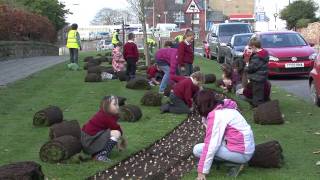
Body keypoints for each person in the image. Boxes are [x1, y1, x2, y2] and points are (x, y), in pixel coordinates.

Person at [193, 90, 255, 179]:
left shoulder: (217, 115)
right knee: (208, 148)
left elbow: (211, 145)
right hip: (245, 149)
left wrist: (201, 172)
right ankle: (234, 162)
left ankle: (236, 163)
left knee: (198, 149)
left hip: (242, 153)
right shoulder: (224, 107)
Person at [81, 96, 127, 162]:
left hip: (88, 140)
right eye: (114, 104)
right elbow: (118, 130)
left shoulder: (103, 113)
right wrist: (122, 140)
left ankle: (97, 154)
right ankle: (100, 155)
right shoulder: (106, 117)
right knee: (117, 133)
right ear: (107, 106)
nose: (117, 106)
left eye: (117, 104)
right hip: (89, 142)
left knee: (112, 132)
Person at [244, 37, 269, 107]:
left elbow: (252, 68)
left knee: (257, 95)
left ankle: (259, 109)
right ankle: (259, 107)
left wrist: (246, 67)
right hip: (261, 77)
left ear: (254, 47)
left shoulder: (257, 57)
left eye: (251, 48)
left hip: (257, 78)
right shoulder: (264, 54)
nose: (250, 50)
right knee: (258, 93)